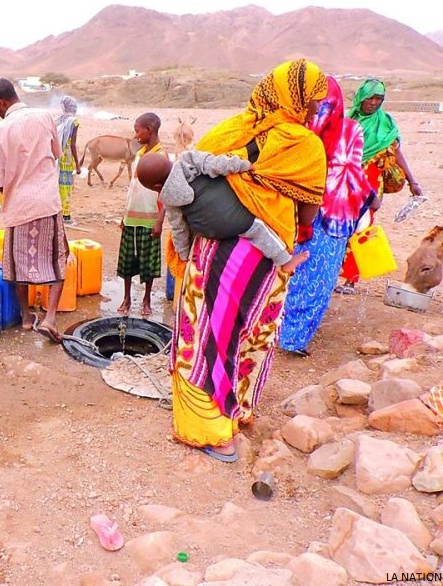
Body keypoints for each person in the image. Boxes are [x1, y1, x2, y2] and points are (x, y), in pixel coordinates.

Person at [162, 59, 328, 462]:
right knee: (246, 333)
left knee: (202, 335)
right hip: (255, 259)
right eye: (311, 104)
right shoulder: (304, 145)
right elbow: (307, 217)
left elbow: (190, 179)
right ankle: (226, 423)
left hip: (208, 249)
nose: (312, 113)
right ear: (297, 101)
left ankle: (206, 422)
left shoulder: (229, 130)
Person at [279, 77, 375, 356]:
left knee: (318, 279)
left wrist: (365, 196)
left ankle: (294, 338)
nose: (321, 109)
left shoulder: (350, 130)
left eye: (326, 103)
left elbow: (353, 171)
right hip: (295, 214)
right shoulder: (296, 130)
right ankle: (282, 332)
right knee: (290, 274)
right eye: (317, 102)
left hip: (332, 215)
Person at [0, 77, 68, 344]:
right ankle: (51, 317)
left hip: (18, 207)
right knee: (57, 259)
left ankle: (26, 317)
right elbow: (56, 154)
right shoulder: (45, 117)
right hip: (47, 202)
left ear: (0, 103)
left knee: (18, 265)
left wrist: (11, 192)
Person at [136, 152, 310, 274]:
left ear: (157, 188)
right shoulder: (187, 160)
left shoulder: (168, 200)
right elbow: (217, 164)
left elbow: (178, 229)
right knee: (258, 229)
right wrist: (243, 165)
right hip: (237, 219)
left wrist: (184, 255)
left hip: (210, 230)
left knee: (192, 224)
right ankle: (285, 260)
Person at [336, 78, 424, 294]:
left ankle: (351, 279)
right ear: (360, 98)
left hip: (371, 185)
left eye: (379, 99)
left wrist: (413, 181)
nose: (374, 103)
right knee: (340, 227)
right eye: (371, 98)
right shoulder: (349, 121)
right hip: (345, 184)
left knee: (362, 227)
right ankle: (334, 273)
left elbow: (397, 153)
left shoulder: (384, 123)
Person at [116, 113, 168, 317]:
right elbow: (133, 187)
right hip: (131, 216)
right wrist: (124, 214)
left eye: (138, 130)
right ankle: (127, 298)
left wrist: (160, 221)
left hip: (150, 218)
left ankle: (146, 299)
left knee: (148, 262)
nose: (136, 135)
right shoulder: (140, 154)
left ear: (150, 129)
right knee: (128, 259)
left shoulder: (162, 157)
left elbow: (166, 191)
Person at [54, 96, 81, 223]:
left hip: (57, 156)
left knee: (58, 185)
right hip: (67, 159)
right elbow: (73, 144)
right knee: (66, 186)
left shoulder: (58, 120)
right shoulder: (73, 122)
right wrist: (78, 164)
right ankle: (65, 215)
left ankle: (56, 212)